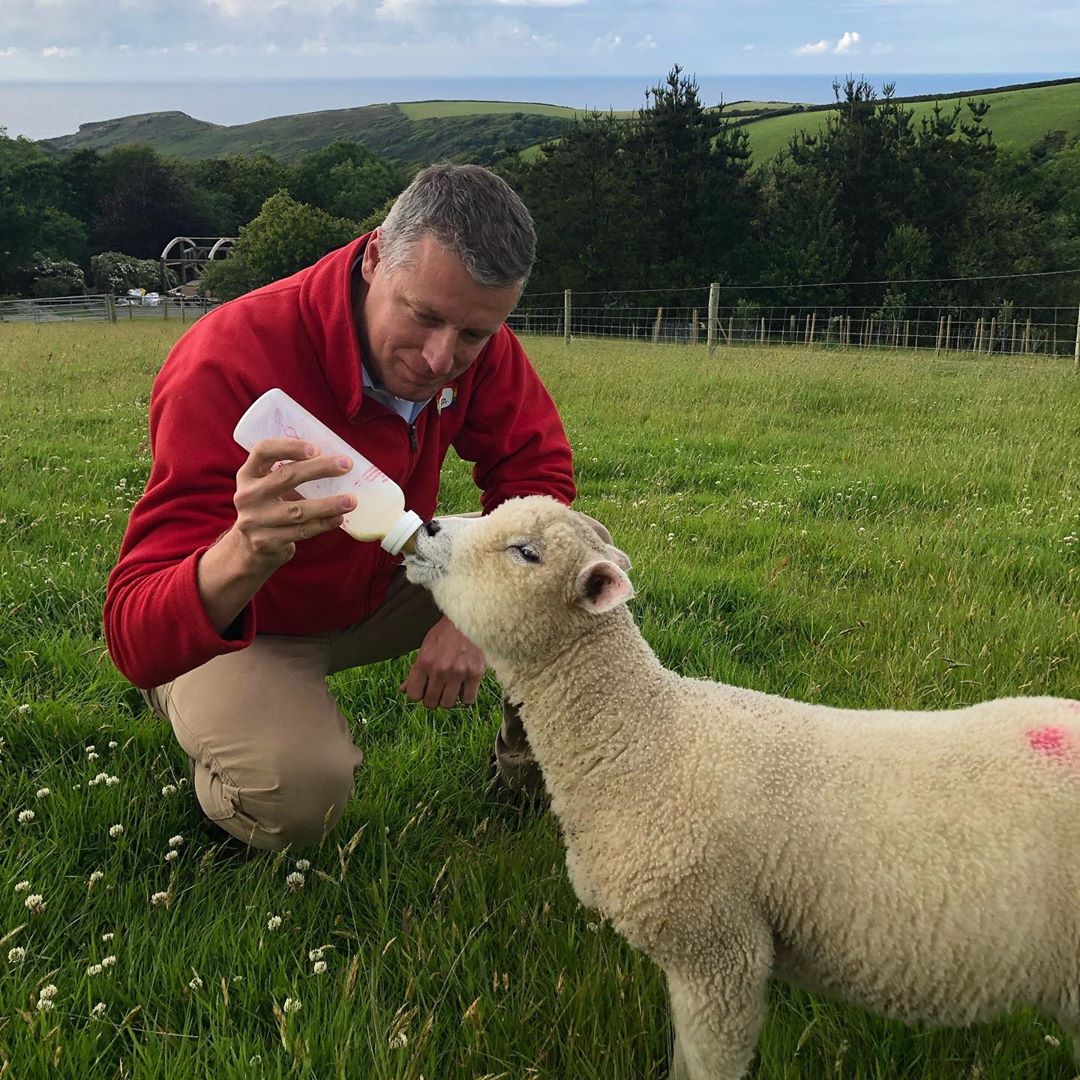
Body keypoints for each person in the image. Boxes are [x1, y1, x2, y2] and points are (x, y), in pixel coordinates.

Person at [104, 162, 599, 851]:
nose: (439, 358)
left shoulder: (474, 341)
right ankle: (233, 750)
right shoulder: (227, 361)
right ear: (373, 259)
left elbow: (536, 471)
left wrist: (481, 613)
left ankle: (528, 777)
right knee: (300, 796)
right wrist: (245, 548)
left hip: (388, 576)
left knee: (575, 569)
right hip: (255, 621)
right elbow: (133, 638)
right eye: (423, 316)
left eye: (472, 335)